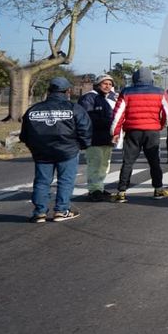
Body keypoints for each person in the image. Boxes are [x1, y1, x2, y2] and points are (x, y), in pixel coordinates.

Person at [20, 77, 92, 223]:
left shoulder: (33, 109)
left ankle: (39, 212)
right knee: (65, 181)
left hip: (42, 152)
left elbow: (25, 134)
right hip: (68, 151)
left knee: (41, 181)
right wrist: (82, 145)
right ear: (68, 91)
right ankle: (61, 210)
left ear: (49, 91)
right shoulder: (74, 108)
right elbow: (85, 129)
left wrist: (34, 148)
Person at [110, 67, 168, 202]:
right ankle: (158, 190)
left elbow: (117, 115)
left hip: (132, 132)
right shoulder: (160, 92)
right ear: (151, 78)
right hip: (152, 131)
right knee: (154, 162)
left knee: (127, 162)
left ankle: (121, 192)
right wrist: (161, 125)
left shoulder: (126, 92)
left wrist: (115, 132)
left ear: (134, 78)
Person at [77, 74, 117, 201]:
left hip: (107, 138)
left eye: (110, 84)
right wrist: (109, 122)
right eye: (105, 83)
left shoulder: (108, 98)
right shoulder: (88, 98)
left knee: (105, 164)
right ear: (98, 84)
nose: (108, 86)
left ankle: (99, 187)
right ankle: (94, 190)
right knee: (95, 163)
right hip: (94, 138)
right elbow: (88, 118)